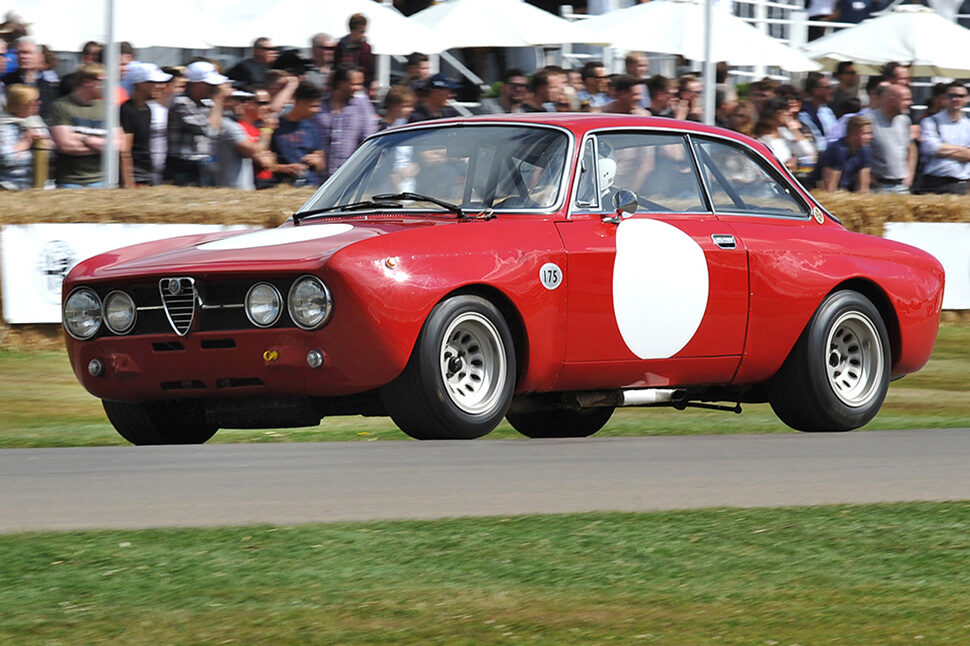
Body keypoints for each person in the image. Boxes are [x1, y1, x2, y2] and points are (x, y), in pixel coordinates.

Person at [47, 63, 124, 188]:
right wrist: (104, 146)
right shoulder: (62, 106)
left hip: (103, 180)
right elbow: (67, 145)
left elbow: (119, 145)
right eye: (104, 82)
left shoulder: (108, 109)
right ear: (87, 82)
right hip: (71, 182)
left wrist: (86, 139)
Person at [165, 60, 231, 186]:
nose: (213, 88)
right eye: (209, 84)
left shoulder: (205, 102)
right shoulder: (180, 102)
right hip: (184, 165)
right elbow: (210, 130)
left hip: (203, 161)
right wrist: (218, 100)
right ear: (196, 84)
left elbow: (219, 128)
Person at [318, 66, 377, 180]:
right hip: (320, 177)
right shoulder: (319, 106)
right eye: (355, 84)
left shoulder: (362, 106)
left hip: (347, 177)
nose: (359, 88)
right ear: (341, 84)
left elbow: (368, 139)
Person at [120, 62, 171, 187]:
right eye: (155, 82)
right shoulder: (127, 110)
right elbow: (124, 151)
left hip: (148, 173)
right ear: (140, 85)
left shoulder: (147, 109)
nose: (161, 86)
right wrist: (128, 183)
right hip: (136, 176)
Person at [916, 81, 970, 194]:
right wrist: (963, 149)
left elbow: (938, 149)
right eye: (952, 96)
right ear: (945, 98)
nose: (956, 99)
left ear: (967, 99)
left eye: (960, 96)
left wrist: (943, 149)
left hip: (962, 183)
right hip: (935, 182)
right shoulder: (931, 121)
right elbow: (931, 148)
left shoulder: (968, 125)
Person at [270, 80, 325, 186]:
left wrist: (317, 161)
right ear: (300, 103)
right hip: (281, 186)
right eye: (313, 106)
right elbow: (264, 164)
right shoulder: (275, 126)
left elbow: (321, 164)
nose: (317, 110)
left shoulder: (312, 127)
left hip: (309, 185)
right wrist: (284, 168)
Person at [216, 90, 273, 190]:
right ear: (227, 102)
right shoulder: (228, 125)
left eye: (248, 101)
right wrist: (267, 129)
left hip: (242, 186)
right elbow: (254, 151)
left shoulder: (234, 124)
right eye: (241, 100)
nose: (246, 104)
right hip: (232, 189)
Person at [0, 83, 51, 190]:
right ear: (21, 104)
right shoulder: (4, 127)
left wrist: (43, 143)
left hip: (40, 184)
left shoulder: (36, 122)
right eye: (34, 101)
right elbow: (7, 159)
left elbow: (51, 153)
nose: (39, 103)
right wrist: (25, 143)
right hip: (11, 185)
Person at [867, 83, 916, 193]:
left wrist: (910, 174)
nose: (910, 103)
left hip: (901, 186)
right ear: (892, 101)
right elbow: (857, 150)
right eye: (906, 100)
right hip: (878, 186)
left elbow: (911, 149)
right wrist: (867, 175)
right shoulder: (868, 120)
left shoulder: (905, 120)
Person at [1, 37, 58, 119]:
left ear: (40, 57)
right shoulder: (6, 82)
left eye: (27, 53)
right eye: (19, 53)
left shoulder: (51, 85)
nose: (22, 56)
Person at [755, 97, 815, 173]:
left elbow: (806, 150)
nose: (787, 114)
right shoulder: (760, 137)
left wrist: (792, 128)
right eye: (784, 111)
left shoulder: (785, 133)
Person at [814, 115, 872, 192]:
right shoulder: (837, 150)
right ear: (853, 134)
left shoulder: (865, 150)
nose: (871, 137)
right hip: (818, 193)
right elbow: (830, 188)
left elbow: (863, 188)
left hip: (845, 192)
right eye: (866, 134)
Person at [798, 73, 837, 153]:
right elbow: (816, 142)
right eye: (827, 88)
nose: (831, 91)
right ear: (816, 91)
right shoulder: (803, 113)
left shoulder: (827, 111)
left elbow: (836, 134)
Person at [335, 13, 375, 89]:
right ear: (352, 30)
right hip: (342, 85)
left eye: (364, 32)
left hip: (361, 86)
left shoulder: (366, 48)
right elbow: (335, 66)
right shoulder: (340, 46)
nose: (363, 35)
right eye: (361, 32)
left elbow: (369, 70)